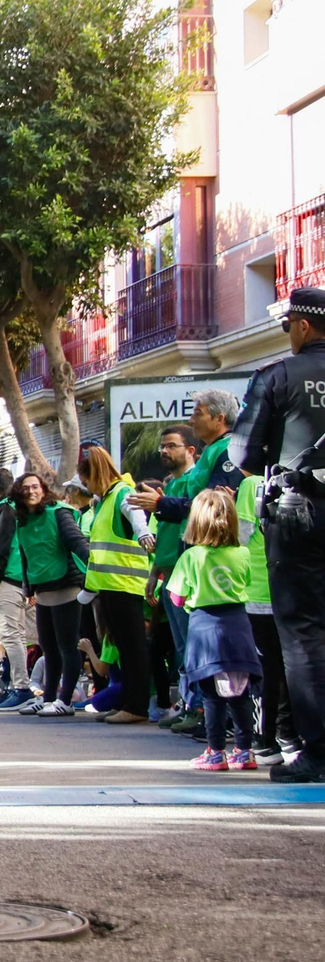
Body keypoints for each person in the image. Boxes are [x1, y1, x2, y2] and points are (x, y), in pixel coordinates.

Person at [228, 286, 325, 782]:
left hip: (298, 515)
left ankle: (318, 751)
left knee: (304, 634)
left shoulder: (278, 376)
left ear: (303, 326)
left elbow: (243, 456)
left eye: (288, 326)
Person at [167, 491, 263, 771]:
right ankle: (245, 751)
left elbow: (177, 596)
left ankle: (215, 751)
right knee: (239, 693)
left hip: (204, 627)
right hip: (238, 626)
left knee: (212, 695)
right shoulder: (242, 553)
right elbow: (246, 580)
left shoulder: (192, 556)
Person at [77, 444, 156, 725]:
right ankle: (128, 702)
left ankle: (136, 707)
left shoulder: (122, 491)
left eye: (87, 482)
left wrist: (143, 531)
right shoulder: (107, 498)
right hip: (111, 586)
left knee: (133, 648)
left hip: (125, 584)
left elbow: (135, 513)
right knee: (124, 646)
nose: (87, 488)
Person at [132, 425, 200, 725]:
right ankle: (186, 705)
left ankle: (197, 709)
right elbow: (164, 533)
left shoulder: (194, 483)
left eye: (172, 445)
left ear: (190, 450)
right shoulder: (169, 486)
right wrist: (154, 575)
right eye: (163, 446)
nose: (164, 451)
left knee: (190, 645)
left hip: (189, 576)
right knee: (180, 646)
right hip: (169, 577)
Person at [8, 471, 90, 716]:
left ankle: (65, 702)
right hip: (42, 590)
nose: (32, 491)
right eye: (26, 488)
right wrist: (27, 588)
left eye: (36, 486)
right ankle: (47, 699)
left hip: (67, 586)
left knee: (67, 646)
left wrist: (95, 571)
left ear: (43, 489)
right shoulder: (21, 522)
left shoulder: (59, 512)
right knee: (48, 648)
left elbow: (77, 542)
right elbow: (25, 555)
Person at [236, 472, 297, 764]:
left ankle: (267, 739)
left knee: (266, 671)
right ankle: (290, 735)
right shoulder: (292, 479)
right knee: (291, 666)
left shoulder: (251, 484)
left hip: (257, 593)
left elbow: (240, 536)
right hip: (289, 590)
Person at [0, 468, 37, 711]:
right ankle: (19, 685)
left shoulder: (4, 508)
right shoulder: (12, 507)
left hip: (7, 579)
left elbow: (1, 545)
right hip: (18, 579)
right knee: (16, 635)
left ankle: (21, 688)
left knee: (10, 635)